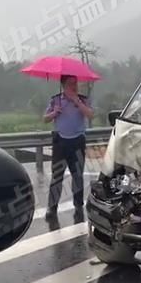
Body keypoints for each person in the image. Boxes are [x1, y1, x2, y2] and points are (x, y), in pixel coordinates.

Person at [44, 75, 95, 222]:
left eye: (75, 83)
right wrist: (54, 112)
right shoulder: (55, 100)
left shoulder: (82, 99)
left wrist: (77, 102)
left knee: (77, 176)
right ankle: (51, 208)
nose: (74, 86)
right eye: (70, 84)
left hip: (77, 141)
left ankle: (78, 206)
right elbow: (45, 118)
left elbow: (91, 115)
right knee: (57, 177)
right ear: (63, 85)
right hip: (60, 142)